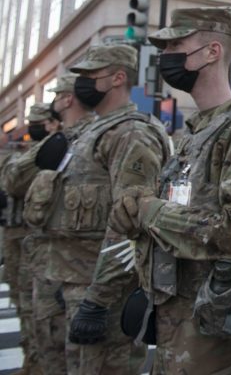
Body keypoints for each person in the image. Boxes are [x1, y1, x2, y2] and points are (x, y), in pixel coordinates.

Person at [109, 6, 231, 374]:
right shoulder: (194, 132)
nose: (165, 55)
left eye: (176, 44)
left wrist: (150, 212)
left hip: (218, 339)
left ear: (212, 51)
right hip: (176, 325)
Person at [43, 44, 169, 374]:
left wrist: (97, 299)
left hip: (104, 296)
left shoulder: (131, 133)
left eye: (90, 76)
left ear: (117, 78)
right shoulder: (95, 131)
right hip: (78, 283)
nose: (82, 83)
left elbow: (129, 223)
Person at [12, 74, 96, 374]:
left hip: (79, 269)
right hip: (46, 259)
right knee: (46, 343)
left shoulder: (96, 136)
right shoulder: (57, 142)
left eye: (58, 94)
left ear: (67, 99)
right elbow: (12, 179)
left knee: (72, 356)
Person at [0, 102, 59, 373]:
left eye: (41, 121)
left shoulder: (57, 150)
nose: (35, 126)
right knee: (25, 305)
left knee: (40, 314)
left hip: (39, 239)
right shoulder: (26, 154)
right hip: (17, 236)